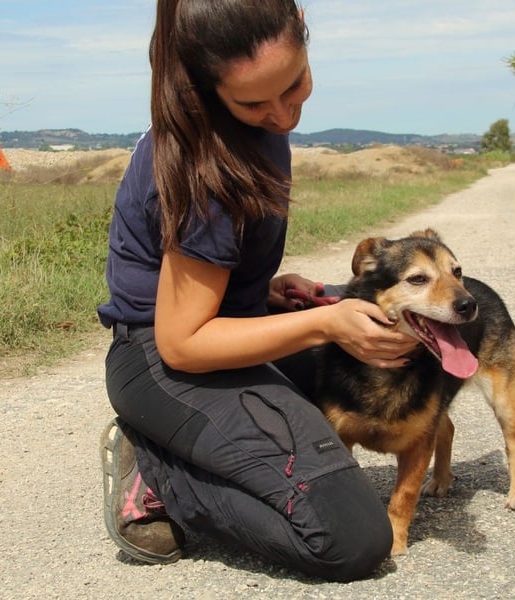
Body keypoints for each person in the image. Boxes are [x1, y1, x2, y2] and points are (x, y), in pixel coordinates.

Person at [97, 0, 418, 582]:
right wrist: (322, 323)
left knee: (384, 357)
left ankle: (212, 448)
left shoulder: (252, 125)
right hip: (164, 366)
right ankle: (156, 460)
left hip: (218, 335)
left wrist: (258, 289)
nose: (282, 114)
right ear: (208, 87)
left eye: (294, 85)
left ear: (301, 26)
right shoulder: (208, 163)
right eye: (253, 102)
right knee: (351, 540)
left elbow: (196, 272)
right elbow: (181, 342)